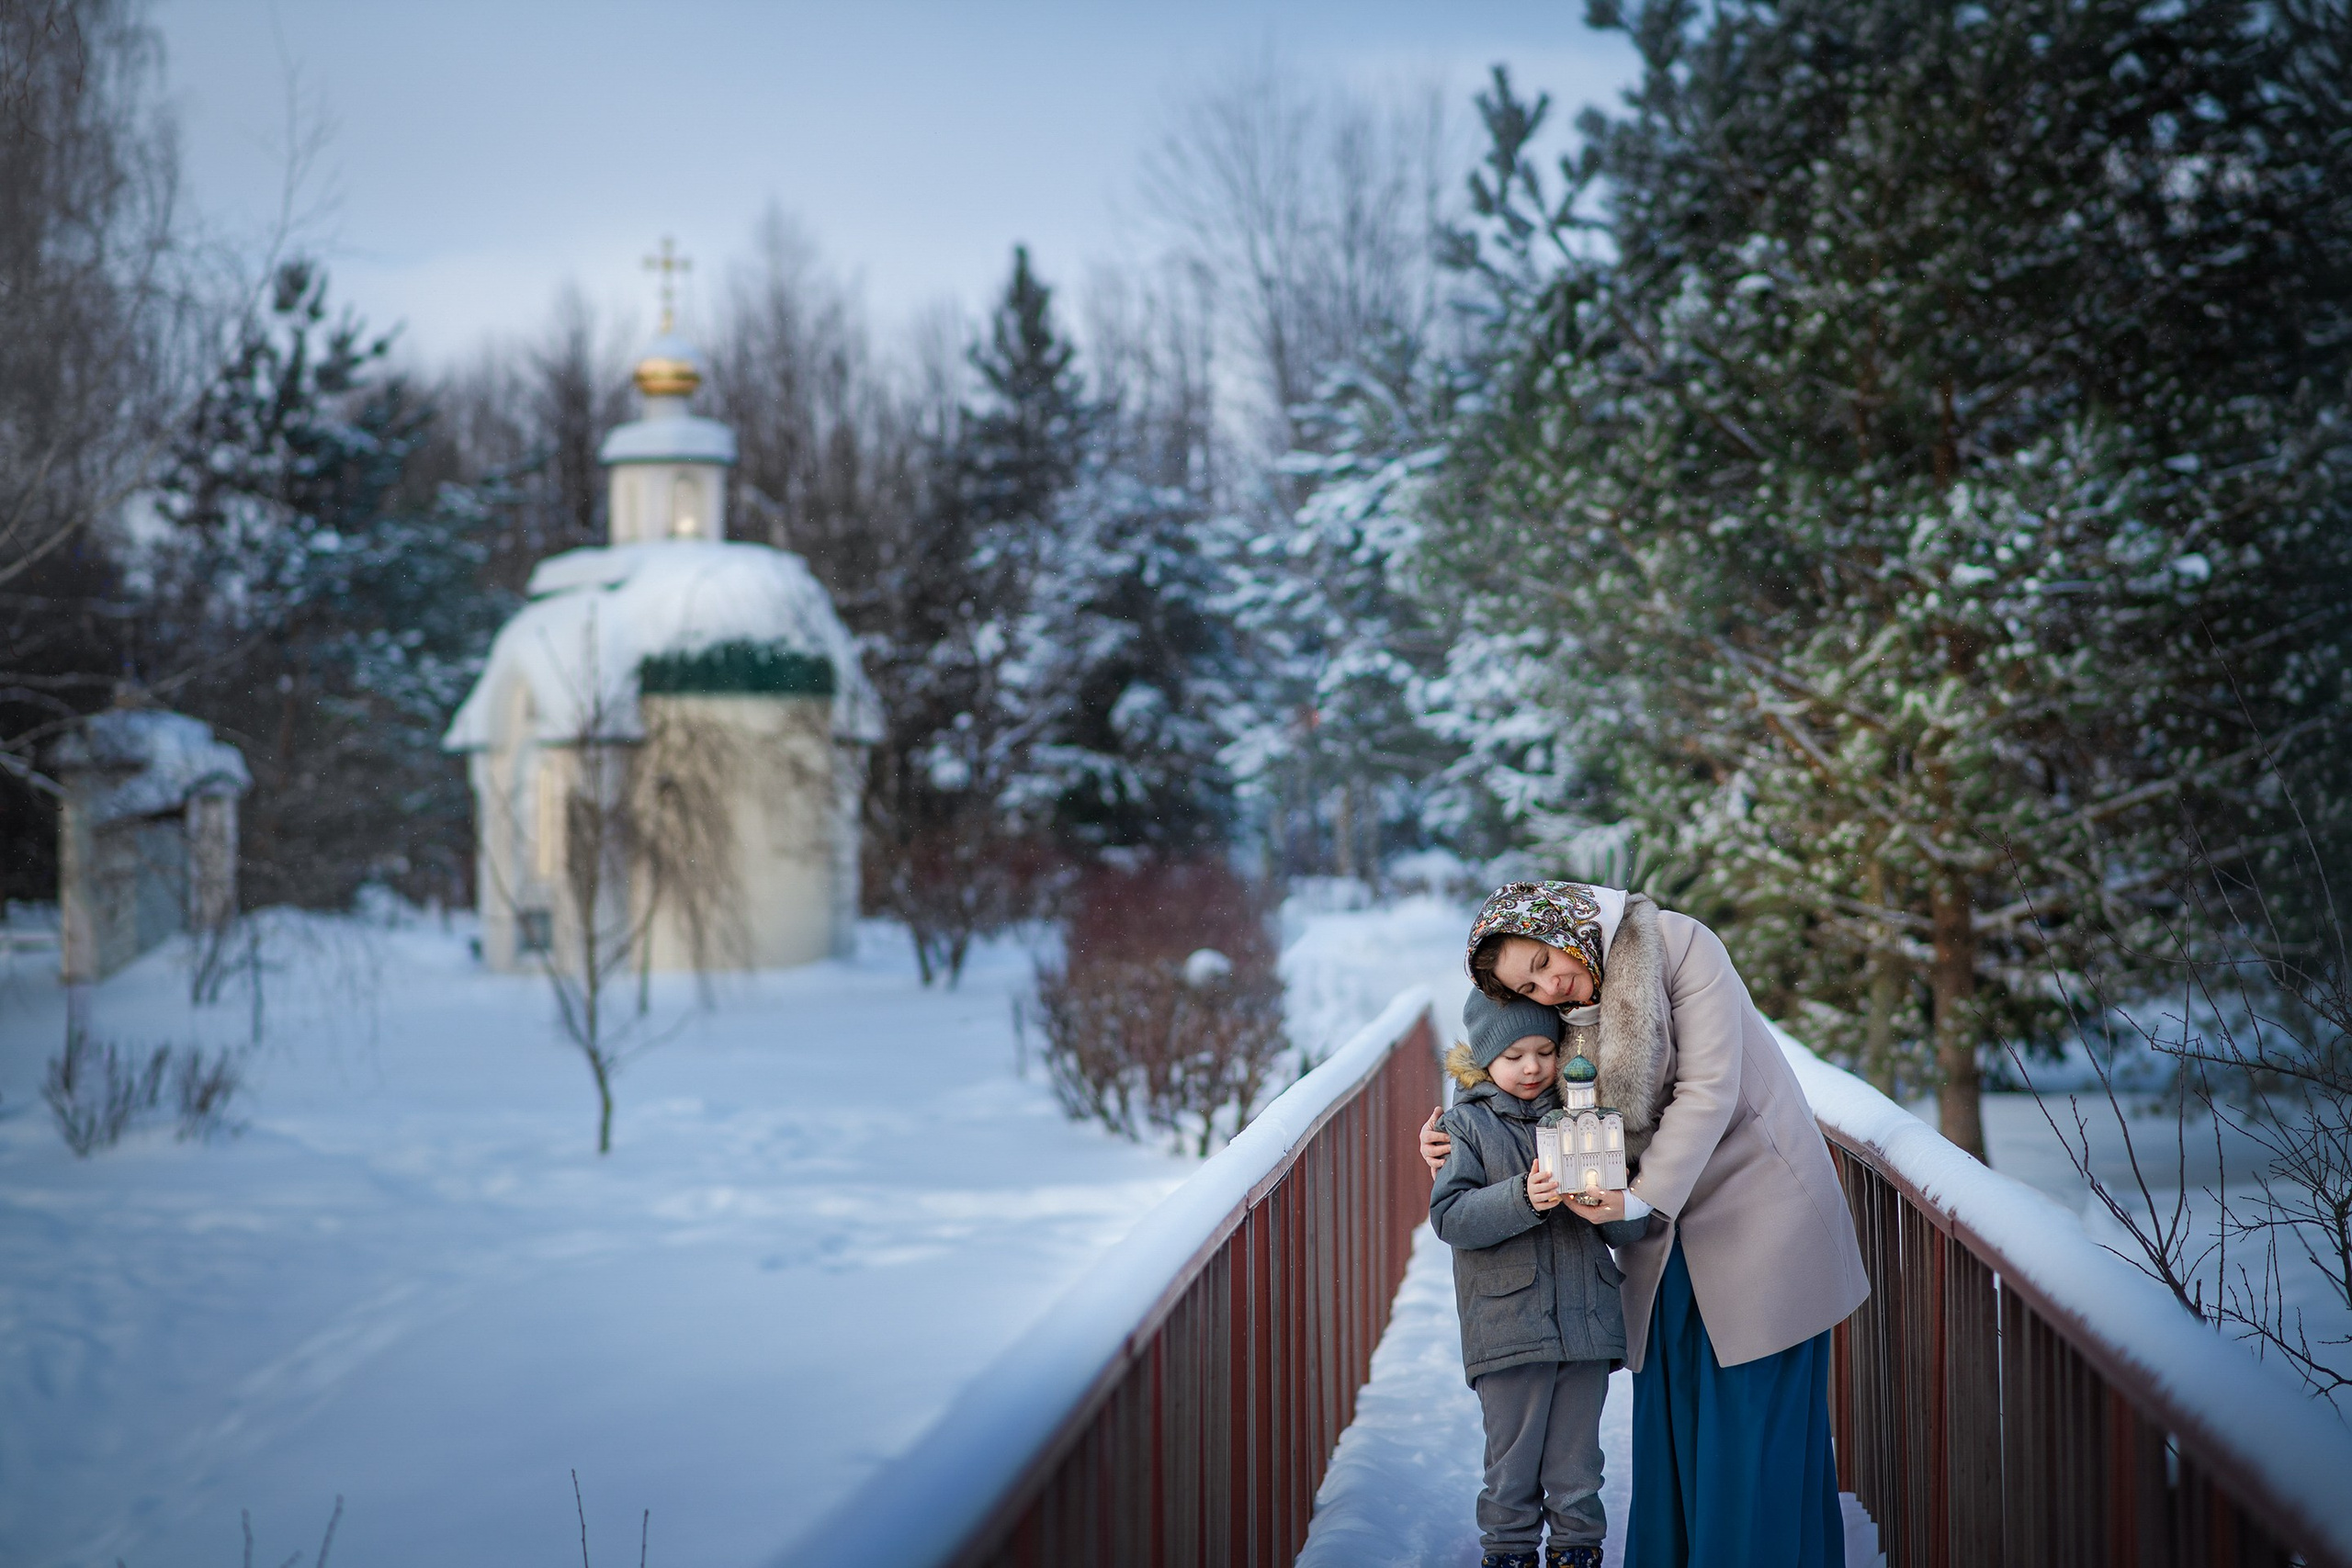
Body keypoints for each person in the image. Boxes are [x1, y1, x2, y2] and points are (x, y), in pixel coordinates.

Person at [1420, 882, 1869, 1568]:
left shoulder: (1682, 945)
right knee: (1679, 1426)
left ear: (1563, 920)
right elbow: (1517, 1061)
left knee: (1749, 1436)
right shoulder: (1568, 1004)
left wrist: (1642, 1198)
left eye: (1541, 961)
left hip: (1754, 1217)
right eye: (1527, 985)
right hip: (1664, 1238)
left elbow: (1707, 1088)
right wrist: (1456, 1129)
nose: (1546, 986)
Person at [1432, 991, 1648, 1568]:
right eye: (1513, 1055)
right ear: (1483, 1062)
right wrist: (1521, 1197)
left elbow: (1630, 1231)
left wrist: (1617, 1204)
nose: (1532, 1067)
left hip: (1586, 1324)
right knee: (1512, 1464)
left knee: (1578, 1465)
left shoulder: (1593, 1120)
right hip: (1508, 1325)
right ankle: (1508, 1552)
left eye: (1544, 1051)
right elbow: (1450, 1217)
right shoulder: (1467, 1126)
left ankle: (1579, 1551)